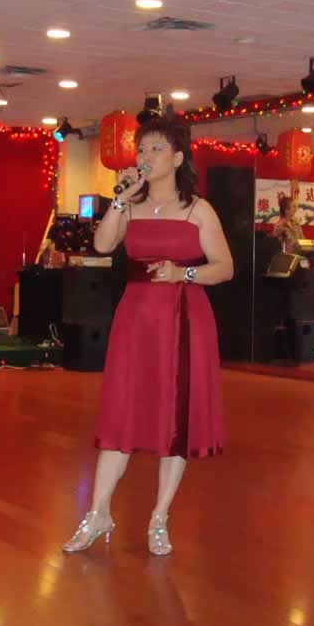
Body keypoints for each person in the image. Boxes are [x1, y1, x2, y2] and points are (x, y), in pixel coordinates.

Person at [63, 118, 232, 557]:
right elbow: (103, 245)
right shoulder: (130, 205)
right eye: (142, 149)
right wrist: (119, 200)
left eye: (156, 149)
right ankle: (97, 513)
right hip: (135, 319)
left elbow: (224, 267)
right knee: (121, 411)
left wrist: (183, 273)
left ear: (177, 159)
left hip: (183, 319)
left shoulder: (198, 209)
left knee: (173, 416)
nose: (145, 157)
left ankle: (159, 517)